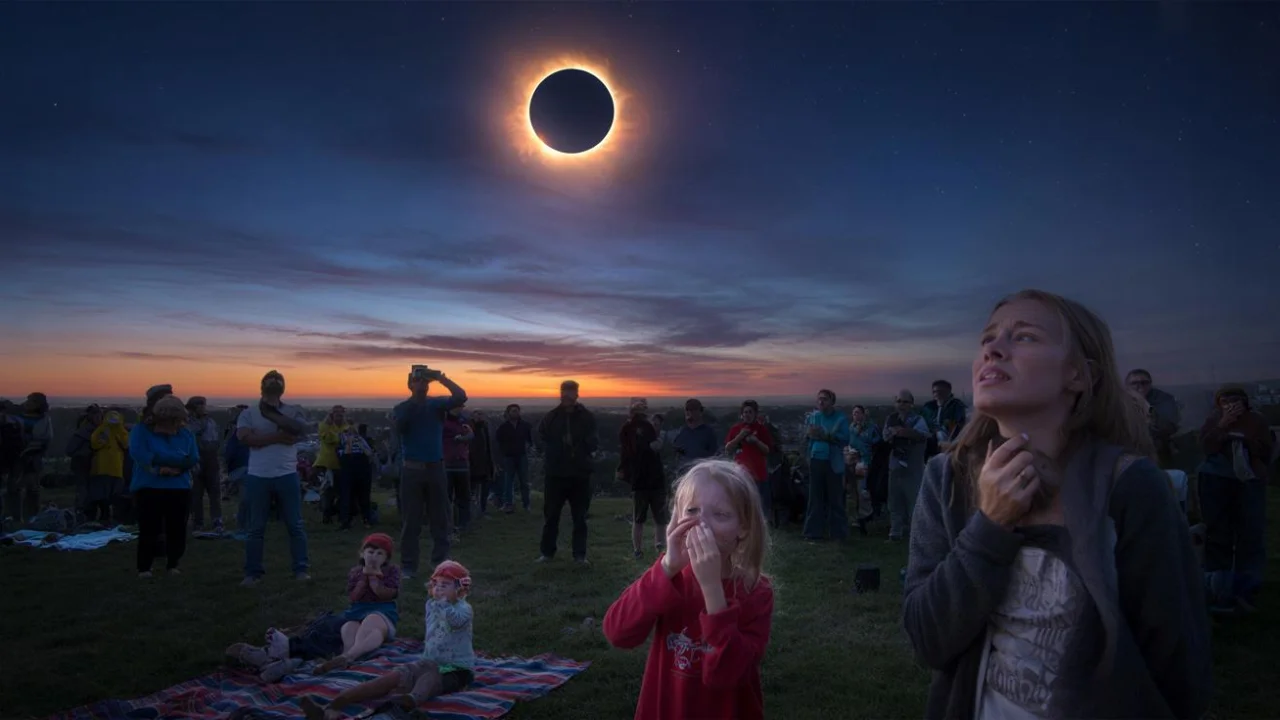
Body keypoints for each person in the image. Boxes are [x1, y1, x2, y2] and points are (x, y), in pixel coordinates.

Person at [903, 289, 1209, 720]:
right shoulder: (946, 479)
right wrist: (989, 525)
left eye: (1024, 337)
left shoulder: (1130, 486)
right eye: (987, 339)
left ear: (1079, 376)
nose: (992, 348)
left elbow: (1177, 667)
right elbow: (927, 639)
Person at [602, 460, 773, 720]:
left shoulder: (756, 592)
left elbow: (725, 674)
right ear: (675, 520)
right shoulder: (670, 578)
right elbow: (618, 634)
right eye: (692, 511)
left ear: (744, 528)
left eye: (721, 514)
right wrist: (667, 566)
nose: (701, 524)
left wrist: (712, 589)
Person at [300, 560, 476, 720]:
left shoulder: (464, 609)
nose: (438, 589)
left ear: (460, 589)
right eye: (436, 584)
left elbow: (456, 622)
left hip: (455, 670)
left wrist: (444, 604)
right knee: (394, 677)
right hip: (429, 661)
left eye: (445, 585)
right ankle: (334, 705)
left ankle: (407, 702)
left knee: (429, 675)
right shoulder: (432, 604)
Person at [1196, 385, 1274, 614]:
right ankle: (1218, 587)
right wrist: (1223, 427)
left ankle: (1246, 587)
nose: (1231, 404)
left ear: (1245, 402)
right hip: (1215, 478)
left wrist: (1245, 440)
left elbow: (1267, 451)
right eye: (1225, 400)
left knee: (1250, 532)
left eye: (1236, 400)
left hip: (1249, 480)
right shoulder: (1214, 419)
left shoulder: (1256, 420)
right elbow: (1206, 446)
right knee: (1217, 532)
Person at [236, 370, 313, 586]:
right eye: (270, 381)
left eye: (277, 381)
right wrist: (278, 436)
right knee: (255, 527)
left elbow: (297, 433)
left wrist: (262, 437)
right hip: (258, 475)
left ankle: (301, 569)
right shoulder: (249, 413)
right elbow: (245, 438)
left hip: (287, 474)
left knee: (295, 525)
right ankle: (252, 573)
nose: (273, 383)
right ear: (262, 387)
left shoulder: (294, 410)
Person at [394, 365, 467, 578]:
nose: (422, 384)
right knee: (411, 520)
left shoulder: (436, 404)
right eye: (417, 380)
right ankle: (409, 566)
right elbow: (401, 428)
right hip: (412, 471)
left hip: (436, 469)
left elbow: (461, 396)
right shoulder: (401, 407)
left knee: (440, 519)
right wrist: (416, 398)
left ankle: (441, 564)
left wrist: (441, 378)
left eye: (425, 381)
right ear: (409, 384)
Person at [305, 532, 402, 673]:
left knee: (371, 621)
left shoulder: (392, 571)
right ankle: (345, 658)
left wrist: (374, 577)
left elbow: (387, 594)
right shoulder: (356, 572)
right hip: (358, 612)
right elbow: (354, 597)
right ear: (363, 554)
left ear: (386, 558)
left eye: (379, 553)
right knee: (348, 627)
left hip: (382, 612)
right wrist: (363, 578)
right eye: (371, 552)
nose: (374, 556)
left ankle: (350, 656)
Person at [130, 395, 198, 578]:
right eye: (173, 420)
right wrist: (162, 468)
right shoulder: (142, 431)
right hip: (149, 487)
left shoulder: (185, 434)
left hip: (179, 487)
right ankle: (144, 567)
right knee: (149, 528)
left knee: (177, 528)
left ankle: (173, 564)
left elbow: (193, 458)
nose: (177, 424)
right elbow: (139, 453)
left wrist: (172, 465)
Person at [536, 380, 598, 564]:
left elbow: (594, 442)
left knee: (580, 517)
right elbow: (540, 438)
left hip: (580, 474)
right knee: (551, 516)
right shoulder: (551, 417)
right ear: (560, 394)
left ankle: (580, 555)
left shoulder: (587, 417)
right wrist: (552, 451)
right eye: (565, 391)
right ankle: (547, 553)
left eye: (571, 391)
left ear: (577, 394)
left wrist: (578, 446)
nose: (568, 395)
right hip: (555, 474)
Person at [619, 398, 668, 559]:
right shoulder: (639, 427)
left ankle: (642, 550)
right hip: (647, 478)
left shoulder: (628, 428)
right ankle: (655, 548)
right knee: (653, 517)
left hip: (645, 478)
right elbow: (652, 447)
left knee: (644, 518)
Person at [802, 389, 851, 542]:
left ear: (832, 401)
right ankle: (813, 533)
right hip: (816, 460)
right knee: (815, 498)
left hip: (833, 461)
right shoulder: (814, 417)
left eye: (825, 399)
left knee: (835, 498)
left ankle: (838, 533)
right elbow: (808, 436)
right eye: (819, 399)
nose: (821, 402)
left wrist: (826, 436)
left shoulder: (840, 419)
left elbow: (845, 439)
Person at [882, 390, 929, 543]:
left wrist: (903, 432)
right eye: (899, 401)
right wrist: (899, 432)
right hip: (895, 466)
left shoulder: (918, 419)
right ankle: (895, 533)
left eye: (905, 402)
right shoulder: (891, 418)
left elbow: (923, 435)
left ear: (911, 404)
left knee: (914, 502)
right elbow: (886, 436)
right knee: (894, 501)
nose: (902, 405)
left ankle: (916, 535)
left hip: (913, 467)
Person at [724, 400, 774, 520]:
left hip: (758, 474)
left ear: (755, 414)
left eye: (750, 412)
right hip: (740, 473)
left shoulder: (761, 429)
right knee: (741, 504)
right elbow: (728, 448)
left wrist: (756, 442)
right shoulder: (736, 429)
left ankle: (760, 528)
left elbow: (767, 450)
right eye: (745, 412)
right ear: (742, 414)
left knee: (759, 505)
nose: (747, 414)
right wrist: (739, 437)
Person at [7, 392, 53, 523]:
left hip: (33, 457)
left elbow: (46, 439)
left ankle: (31, 516)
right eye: (28, 400)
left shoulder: (44, 420)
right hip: (15, 456)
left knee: (32, 487)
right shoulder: (15, 416)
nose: (28, 403)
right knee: (13, 487)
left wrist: (32, 448)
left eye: (32, 401)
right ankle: (14, 517)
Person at [1124, 369, 1181, 468]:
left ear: (1150, 384)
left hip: (1158, 450)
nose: (1140, 387)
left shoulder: (1164, 399)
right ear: (1127, 386)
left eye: (1144, 383)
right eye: (1134, 383)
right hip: (1129, 450)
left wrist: (1147, 408)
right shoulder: (1121, 401)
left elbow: (1169, 426)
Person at [185, 397, 224, 533]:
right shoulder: (186, 423)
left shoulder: (210, 421)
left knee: (214, 492)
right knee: (196, 494)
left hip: (211, 459)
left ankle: (217, 521)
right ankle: (198, 522)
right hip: (195, 459)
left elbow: (215, 439)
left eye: (203, 404)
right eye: (199, 405)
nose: (203, 407)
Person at [88, 409, 129, 523]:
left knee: (111, 494)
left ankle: (110, 516)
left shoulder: (117, 431)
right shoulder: (104, 430)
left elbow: (126, 445)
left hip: (110, 468)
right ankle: (106, 516)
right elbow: (95, 444)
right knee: (105, 494)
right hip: (107, 468)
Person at [495, 404, 535, 513]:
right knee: (508, 481)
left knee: (524, 482)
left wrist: (529, 449)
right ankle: (508, 504)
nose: (515, 413)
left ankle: (526, 505)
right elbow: (498, 442)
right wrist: (500, 457)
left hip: (522, 456)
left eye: (517, 411)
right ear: (508, 413)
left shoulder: (525, 425)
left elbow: (530, 440)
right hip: (508, 457)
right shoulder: (503, 427)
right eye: (513, 411)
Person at [336, 424, 376, 530]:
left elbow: (370, 454)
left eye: (351, 431)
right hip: (352, 468)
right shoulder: (342, 442)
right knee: (349, 496)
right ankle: (347, 521)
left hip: (359, 468)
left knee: (361, 496)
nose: (349, 434)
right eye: (347, 432)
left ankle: (365, 519)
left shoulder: (363, 441)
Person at [443, 408, 474, 539]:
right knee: (446, 498)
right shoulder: (442, 422)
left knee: (464, 497)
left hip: (462, 464)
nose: (459, 408)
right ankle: (446, 526)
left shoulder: (463, 421)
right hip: (446, 464)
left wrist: (468, 435)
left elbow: (469, 437)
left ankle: (463, 525)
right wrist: (461, 437)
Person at [66, 405, 102, 517]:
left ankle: (85, 513)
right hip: (85, 463)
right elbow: (70, 450)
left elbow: (69, 450)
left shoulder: (82, 431)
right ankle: (84, 513)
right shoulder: (87, 432)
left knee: (86, 490)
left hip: (88, 463)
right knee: (86, 490)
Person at [318, 405, 350, 524]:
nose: (339, 416)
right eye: (336, 413)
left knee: (342, 491)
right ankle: (327, 515)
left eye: (341, 413)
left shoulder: (347, 426)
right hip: (328, 464)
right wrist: (339, 436)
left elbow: (349, 439)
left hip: (343, 464)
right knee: (327, 492)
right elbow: (329, 439)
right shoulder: (323, 425)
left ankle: (341, 514)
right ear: (331, 414)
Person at [921, 380, 968, 458]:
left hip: (949, 443)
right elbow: (923, 421)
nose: (937, 394)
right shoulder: (929, 406)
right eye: (934, 391)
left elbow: (959, 424)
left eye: (940, 391)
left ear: (949, 392)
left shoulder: (957, 406)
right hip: (931, 444)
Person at [670, 399, 719, 471]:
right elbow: (677, 454)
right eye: (687, 410)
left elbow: (714, 456)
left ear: (700, 412)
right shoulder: (682, 432)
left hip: (701, 474)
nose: (689, 413)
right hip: (684, 475)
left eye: (693, 410)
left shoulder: (709, 432)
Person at [467, 411, 496, 516]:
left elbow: (489, 446)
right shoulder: (469, 428)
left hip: (485, 463)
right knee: (472, 490)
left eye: (481, 414)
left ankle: (482, 510)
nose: (479, 416)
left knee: (485, 489)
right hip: (473, 463)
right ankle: (472, 511)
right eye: (477, 414)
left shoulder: (485, 428)